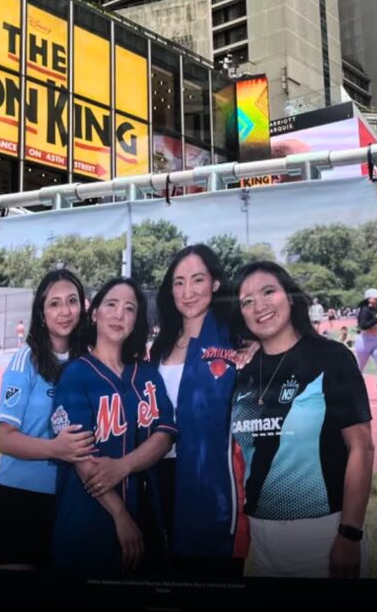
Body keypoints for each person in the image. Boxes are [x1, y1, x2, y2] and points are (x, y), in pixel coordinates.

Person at [230, 261, 374, 578]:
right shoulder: (244, 375)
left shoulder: (331, 357)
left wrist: (349, 534)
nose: (260, 306)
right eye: (247, 301)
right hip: (262, 538)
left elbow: (361, 448)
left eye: (269, 292)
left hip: (323, 532)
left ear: (291, 297)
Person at [51, 277, 178, 575]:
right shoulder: (75, 375)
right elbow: (80, 455)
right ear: (94, 314)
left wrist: (124, 465)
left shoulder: (146, 374)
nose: (119, 314)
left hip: (146, 512)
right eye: (111, 304)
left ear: (136, 321)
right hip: (89, 517)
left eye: (130, 308)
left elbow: (166, 434)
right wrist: (120, 515)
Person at [149, 245, 251, 574]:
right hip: (161, 472)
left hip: (212, 480)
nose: (188, 292)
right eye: (179, 282)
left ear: (215, 284)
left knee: (209, 577)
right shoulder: (160, 346)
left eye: (197, 280)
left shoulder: (237, 342)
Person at [0, 269, 95, 569]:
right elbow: (6, 440)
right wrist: (57, 449)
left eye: (72, 301)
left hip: (71, 499)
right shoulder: (25, 360)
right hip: (21, 501)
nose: (65, 311)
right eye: (55, 303)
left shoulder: (88, 361)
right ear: (42, 312)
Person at [355, 288, 377, 388]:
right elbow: (363, 325)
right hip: (364, 341)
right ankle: (354, 387)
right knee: (360, 367)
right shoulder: (364, 310)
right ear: (369, 299)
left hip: (376, 340)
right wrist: (376, 320)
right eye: (376, 298)